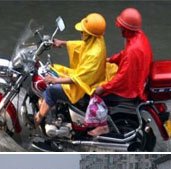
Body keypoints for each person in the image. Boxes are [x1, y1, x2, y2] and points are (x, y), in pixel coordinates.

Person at [35, 13, 108, 126]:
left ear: (90, 34)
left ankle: (38, 119)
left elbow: (79, 79)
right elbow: (83, 45)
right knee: (54, 68)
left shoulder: (95, 54)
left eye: (83, 32)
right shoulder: (97, 39)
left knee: (51, 90)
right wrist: (63, 43)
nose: (81, 33)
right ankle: (47, 105)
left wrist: (55, 80)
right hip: (84, 76)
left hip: (83, 85)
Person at [91, 7, 153, 136]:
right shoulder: (139, 37)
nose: (120, 30)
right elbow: (124, 54)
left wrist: (103, 88)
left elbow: (122, 77)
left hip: (131, 88)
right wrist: (111, 60)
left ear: (126, 29)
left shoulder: (133, 51)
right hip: (139, 78)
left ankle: (102, 126)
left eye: (121, 28)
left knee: (94, 94)